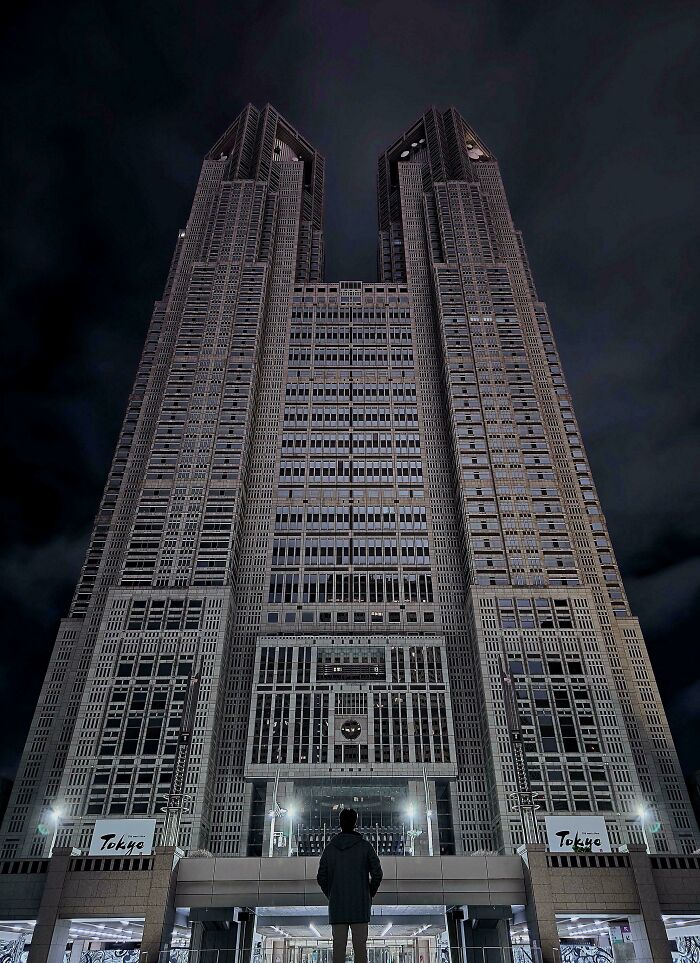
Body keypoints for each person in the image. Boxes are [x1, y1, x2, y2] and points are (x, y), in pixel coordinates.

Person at [317, 808, 383, 963]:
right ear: (355, 823)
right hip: (360, 907)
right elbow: (377, 874)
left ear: (340, 823)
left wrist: (333, 895)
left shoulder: (330, 849)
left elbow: (321, 877)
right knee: (360, 950)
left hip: (337, 908)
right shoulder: (365, 847)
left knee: (338, 950)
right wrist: (367, 893)